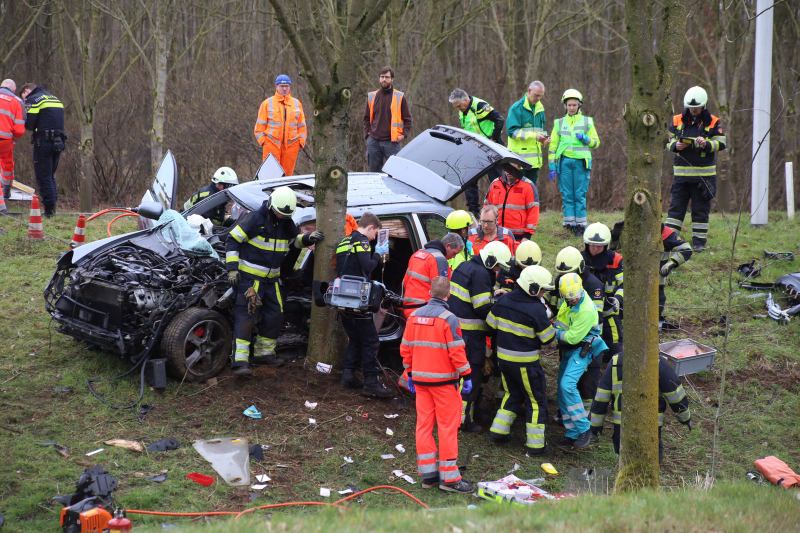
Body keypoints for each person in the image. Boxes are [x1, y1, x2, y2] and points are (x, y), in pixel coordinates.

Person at [225, 186, 323, 376]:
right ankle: (240, 362)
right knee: (246, 317)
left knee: (275, 315)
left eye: (284, 215)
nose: (280, 217)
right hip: (250, 280)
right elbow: (233, 240)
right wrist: (232, 269)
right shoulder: (254, 219)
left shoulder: (287, 222)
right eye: (278, 213)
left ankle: (264, 353)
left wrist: (308, 238)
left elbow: (293, 242)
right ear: (271, 206)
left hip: (272, 281)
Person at [401, 276, 474, 494]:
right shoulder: (449, 319)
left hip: (421, 382)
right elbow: (456, 352)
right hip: (444, 383)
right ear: (448, 295)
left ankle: (429, 475)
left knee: (423, 426)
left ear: (429, 293)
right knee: (447, 428)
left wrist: (411, 373)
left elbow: (406, 349)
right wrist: (467, 375)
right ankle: (450, 479)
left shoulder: (413, 316)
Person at [487, 265, 557, 455]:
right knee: (536, 400)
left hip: (503, 360)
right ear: (533, 288)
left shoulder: (503, 300)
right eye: (542, 289)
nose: (543, 293)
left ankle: (498, 432)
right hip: (526, 363)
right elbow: (548, 339)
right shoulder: (536, 309)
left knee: (512, 394)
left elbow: (490, 323)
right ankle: (535, 446)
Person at [448, 240, 512, 432]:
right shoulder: (482, 274)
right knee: (472, 377)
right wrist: (499, 313)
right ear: (491, 260)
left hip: (454, 332)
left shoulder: (464, 266)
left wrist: (493, 293)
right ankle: (463, 421)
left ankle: (453, 416)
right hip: (471, 336)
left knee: (456, 376)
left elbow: (470, 296)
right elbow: (482, 307)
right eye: (498, 266)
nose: (499, 270)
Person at [335, 212, 394, 398]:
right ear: (370, 228)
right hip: (357, 298)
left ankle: (348, 375)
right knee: (371, 340)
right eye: (375, 233)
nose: (375, 237)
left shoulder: (344, 241)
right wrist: (378, 254)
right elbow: (367, 266)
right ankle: (371, 382)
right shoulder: (362, 241)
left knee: (356, 338)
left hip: (341, 298)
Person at [590, 351, 692, 459]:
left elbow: (601, 397)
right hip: (650, 426)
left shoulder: (615, 361)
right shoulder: (657, 362)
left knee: (625, 461)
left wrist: (595, 428)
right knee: (651, 461)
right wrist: (685, 418)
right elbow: (675, 395)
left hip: (622, 426)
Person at [664, 86, 726, 252]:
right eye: (691, 108)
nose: (694, 110)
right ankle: (669, 240)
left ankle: (699, 243)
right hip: (681, 177)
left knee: (700, 211)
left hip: (704, 177)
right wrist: (675, 145)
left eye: (697, 108)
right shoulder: (677, 120)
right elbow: (667, 141)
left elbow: (721, 143)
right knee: (675, 209)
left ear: (703, 106)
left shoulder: (713, 121)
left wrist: (706, 144)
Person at [553, 273, 608, 449]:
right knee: (562, 390)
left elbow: (571, 337)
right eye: (570, 299)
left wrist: (550, 333)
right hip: (570, 349)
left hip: (583, 349)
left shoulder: (585, 310)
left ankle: (585, 428)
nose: (573, 301)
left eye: (575, 298)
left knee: (567, 385)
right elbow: (562, 323)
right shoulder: (567, 300)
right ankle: (572, 433)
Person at [554, 245, 605, 409]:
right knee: (567, 381)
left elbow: (596, 316)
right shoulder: (562, 282)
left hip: (588, 343)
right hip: (568, 342)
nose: (564, 277)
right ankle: (566, 413)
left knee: (588, 382)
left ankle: (587, 414)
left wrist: (558, 334)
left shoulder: (593, 285)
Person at [548, 89, 600, 235]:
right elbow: (552, 146)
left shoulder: (587, 121)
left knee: (579, 194)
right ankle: (569, 224)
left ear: (579, 105)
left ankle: (581, 225)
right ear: (565, 105)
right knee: (567, 194)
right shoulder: (558, 123)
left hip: (581, 163)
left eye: (574, 105)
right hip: (564, 163)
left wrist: (586, 139)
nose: (571, 107)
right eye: (569, 105)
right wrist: (552, 166)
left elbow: (596, 143)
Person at [449, 88, 504, 216]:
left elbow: (499, 120)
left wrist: (494, 139)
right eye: (456, 107)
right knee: (469, 179)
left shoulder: (479, 106)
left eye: (459, 106)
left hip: (490, 147)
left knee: (496, 181)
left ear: (465, 99)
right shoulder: (461, 112)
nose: (458, 109)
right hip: (474, 148)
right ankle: (474, 213)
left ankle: (499, 211)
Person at [20, 83, 65, 217]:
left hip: (44, 142)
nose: (23, 98)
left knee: (43, 177)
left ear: (27, 91)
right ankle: (52, 208)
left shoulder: (33, 99)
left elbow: (29, 124)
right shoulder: (54, 98)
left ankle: (49, 211)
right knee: (50, 175)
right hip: (59, 141)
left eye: (22, 95)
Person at [582, 223, 624, 358]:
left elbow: (625, 284)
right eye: (592, 245)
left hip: (609, 313)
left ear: (605, 245)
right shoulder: (579, 259)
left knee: (615, 348)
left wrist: (618, 299)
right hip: (585, 314)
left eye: (599, 246)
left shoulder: (615, 260)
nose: (595, 249)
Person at [401, 232, 464, 318]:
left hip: (408, 307)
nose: (453, 257)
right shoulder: (439, 259)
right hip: (424, 311)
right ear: (448, 246)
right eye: (454, 253)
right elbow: (441, 293)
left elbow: (405, 282)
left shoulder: (418, 253)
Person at [254, 74, 307, 176]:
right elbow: (259, 128)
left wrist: (300, 142)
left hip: (291, 145)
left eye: (286, 86)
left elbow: (302, 126)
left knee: (287, 176)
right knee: (270, 175)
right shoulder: (267, 103)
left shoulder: (297, 103)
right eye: (282, 86)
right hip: (271, 144)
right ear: (276, 86)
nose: (284, 89)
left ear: (290, 87)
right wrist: (264, 142)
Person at [364, 67, 412, 172]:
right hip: (374, 141)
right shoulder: (372, 96)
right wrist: (367, 135)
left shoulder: (399, 97)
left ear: (392, 79)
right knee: (373, 174)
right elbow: (366, 119)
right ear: (379, 79)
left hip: (392, 142)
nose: (384, 79)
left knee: (396, 173)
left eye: (387, 77)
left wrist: (404, 134)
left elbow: (408, 119)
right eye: (382, 77)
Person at [506, 81, 548, 184]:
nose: (538, 98)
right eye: (536, 95)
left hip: (534, 162)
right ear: (529, 91)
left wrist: (544, 139)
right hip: (518, 161)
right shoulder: (517, 108)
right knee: (517, 194)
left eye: (540, 96)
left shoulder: (540, 109)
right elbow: (512, 132)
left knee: (531, 195)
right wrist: (534, 136)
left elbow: (539, 131)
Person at [484, 165, 539, 240]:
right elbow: (486, 209)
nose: (509, 171)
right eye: (507, 168)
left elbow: (533, 212)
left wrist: (527, 236)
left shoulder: (528, 186)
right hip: (496, 235)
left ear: (519, 167)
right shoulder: (495, 184)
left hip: (519, 237)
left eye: (512, 168)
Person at [659, 223, 693, 330]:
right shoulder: (629, 230)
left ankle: (657, 322)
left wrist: (671, 263)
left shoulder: (664, 232)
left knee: (658, 301)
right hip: (631, 281)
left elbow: (686, 249)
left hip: (656, 281)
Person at [0, 79, 25, 204]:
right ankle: (5, 193)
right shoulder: (17, 101)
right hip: (5, 141)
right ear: (13, 90)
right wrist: (13, 138)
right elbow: (19, 129)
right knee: (7, 165)